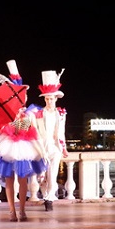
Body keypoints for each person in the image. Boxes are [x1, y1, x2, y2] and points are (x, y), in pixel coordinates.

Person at [0, 61, 48, 222]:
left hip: (24, 147)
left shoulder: (28, 112)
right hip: (7, 148)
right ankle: (12, 211)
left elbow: (29, 131)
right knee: (10, 179)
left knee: (23, 179)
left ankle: (22, 210)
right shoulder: (5, 111)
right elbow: (1, 127)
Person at [33, 70, 68, 211]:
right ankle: (46, 195)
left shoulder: (61, 113)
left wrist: (64, 147)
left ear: (56, 99)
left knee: (53, 174)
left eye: (51, 98)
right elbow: (31, 129)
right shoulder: (38, 113)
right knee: (41, 176)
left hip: (55, 147)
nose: (49, 101)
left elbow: (62, 131)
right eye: (47, 99)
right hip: (42, 147)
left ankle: (49, 199)